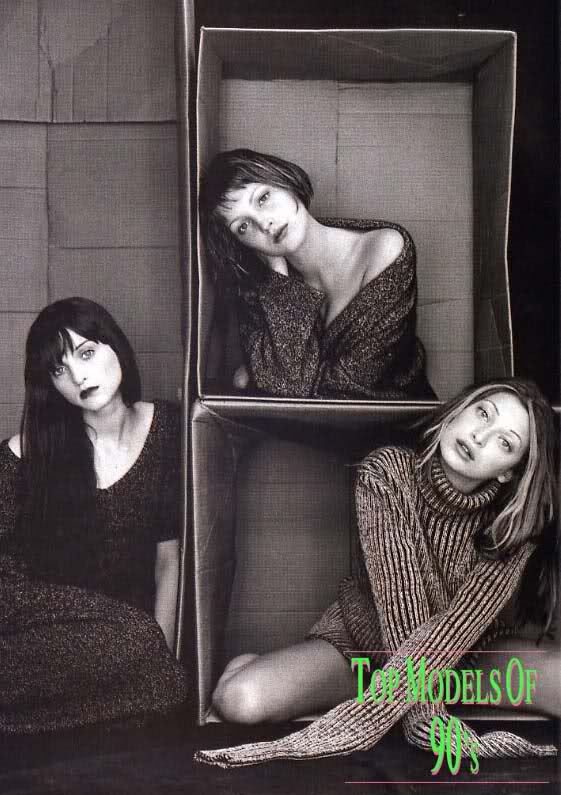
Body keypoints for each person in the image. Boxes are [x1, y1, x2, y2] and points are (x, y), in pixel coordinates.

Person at [196, 377, 559, 766]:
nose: (480, 437)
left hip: (463, 650)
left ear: (509, 472)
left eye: (505, 443)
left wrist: (408, 701)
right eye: (483, 413)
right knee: (239, 700)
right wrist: (422, 718)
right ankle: (278, 672)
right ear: (458, 411)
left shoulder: (513, 525)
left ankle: (391, 698)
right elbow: (403, 608)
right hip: (365, 648)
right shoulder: (387, 473)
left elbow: (459, 623)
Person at [0, 297, 188, 733]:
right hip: (22, 612)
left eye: (85, 354)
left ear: (115, 345)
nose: (78, 377)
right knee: (138, 642)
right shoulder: (31, 452)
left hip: (96, 641)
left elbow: (169, 559)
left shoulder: (167, 430)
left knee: (156, 667)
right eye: (58, 370)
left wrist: (163, 659)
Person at [200, 148, 436, 400]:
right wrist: (280, 278)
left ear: (284, 181)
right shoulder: (259, 289)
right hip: (303, 423)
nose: (264, 224)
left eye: (263, 198)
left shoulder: (386, 250)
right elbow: (289, 391)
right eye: (243, 227)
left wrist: (259, 375)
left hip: (402, 419)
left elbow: (346, 391)